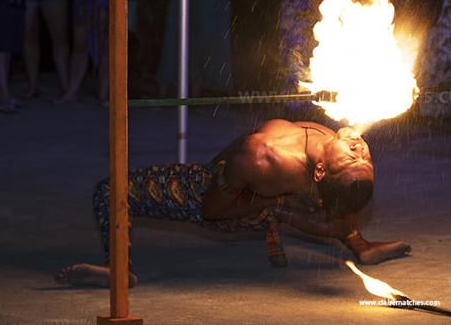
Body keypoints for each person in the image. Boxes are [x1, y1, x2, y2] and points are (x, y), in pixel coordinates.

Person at [52, 119, 411, 287]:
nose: (360, 149)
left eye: (357, 159)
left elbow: (211, 211)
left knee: (110, 190)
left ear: (319, 172)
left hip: (213, 198)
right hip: (239, 179)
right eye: (362, 156)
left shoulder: (265, 159)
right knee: (340, 194)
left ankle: (120, 271)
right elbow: (339, 194)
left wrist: (276, 209)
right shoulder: (327, 148)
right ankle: (359, 246)